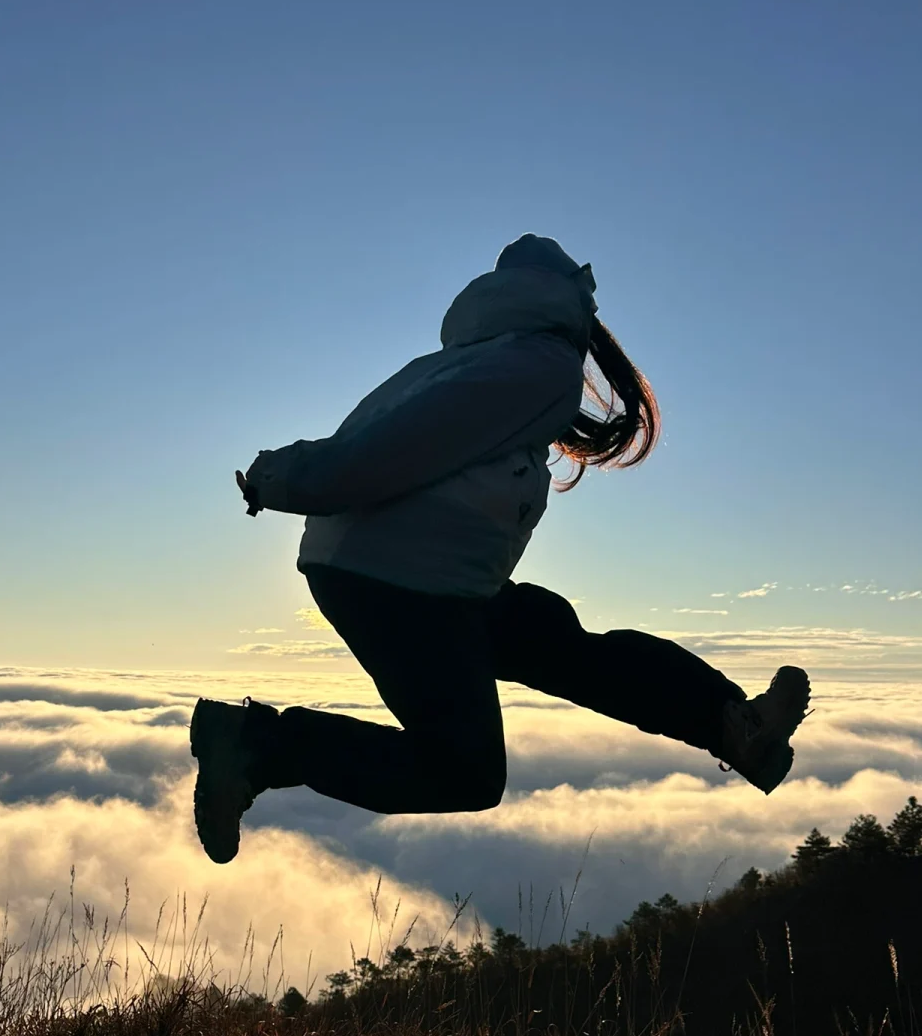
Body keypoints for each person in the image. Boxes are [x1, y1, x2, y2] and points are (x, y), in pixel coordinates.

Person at [191, 234, 810, 864]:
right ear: (571, 300)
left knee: (563, 648)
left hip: (420, 574)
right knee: (465, 772)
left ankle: (734, 725)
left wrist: (290, 475)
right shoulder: (536, 365)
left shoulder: (477, 359)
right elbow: (398, 446)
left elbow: (395, 436)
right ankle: (255, 743)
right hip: (396, 578)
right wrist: (293, 478)